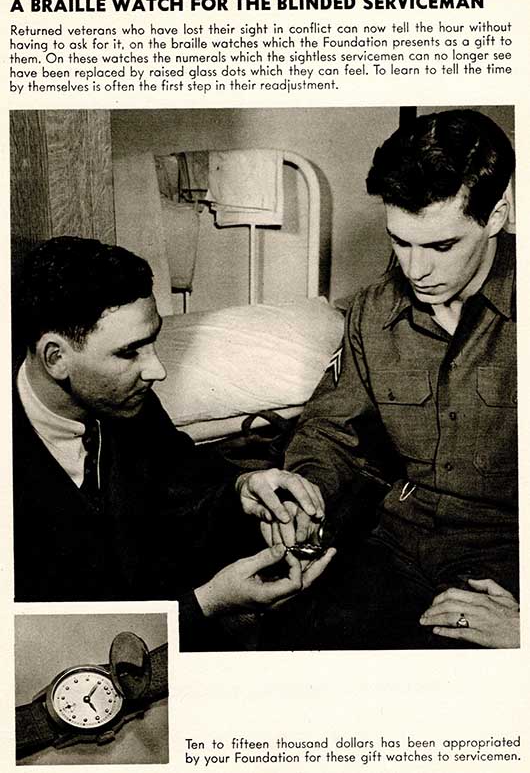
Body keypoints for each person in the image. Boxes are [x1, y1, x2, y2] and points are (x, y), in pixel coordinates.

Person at [257, 109, 519, 650]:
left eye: (441, 246)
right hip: (392, 549)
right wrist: (306, 496)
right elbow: (332, 433)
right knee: (280, 641)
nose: (415, 268)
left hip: (504, 574)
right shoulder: (374, 311)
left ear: (498, 214)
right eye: (400, 241)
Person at [12, 236, 334, 649]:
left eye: (153, 342)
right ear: (55, 358)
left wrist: (242, 489)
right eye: (130, 352)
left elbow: (179, 473)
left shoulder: (127, 407)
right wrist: (206, 605)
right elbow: (51, 636)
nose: (157, 369)